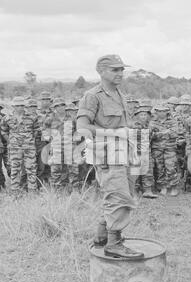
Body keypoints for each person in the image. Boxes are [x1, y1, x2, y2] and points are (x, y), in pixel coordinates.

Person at [76, 54, 143, 259]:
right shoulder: (93, 95)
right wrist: (114, 133)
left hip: (124, 150)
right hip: (107, 153)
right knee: (118, 195)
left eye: (122, 69)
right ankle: (114, 243)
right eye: (115, 70)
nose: (120, 73)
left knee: (123, 192)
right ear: (101, 71)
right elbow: (83, 128)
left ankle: (102, 233)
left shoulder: (118, 94)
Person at [1, 97, 40, 195]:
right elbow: (4, 131)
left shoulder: (32, 117)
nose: (20, 107)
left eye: (22, 105)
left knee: (31, 169)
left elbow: (36, 131)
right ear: (13, 106)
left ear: (25, 106)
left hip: (29, 147)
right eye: (17, 105)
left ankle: (32, 191)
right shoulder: (7, 118)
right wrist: (11, 142)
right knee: (15, 169)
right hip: (14, 148)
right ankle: (15, 191)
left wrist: (30, 140)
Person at [43, 98, 80, 192]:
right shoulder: (49, 119)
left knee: (73, 171)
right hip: (56, 148)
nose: (60, 107)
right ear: (54, 107)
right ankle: (57, 192)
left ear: (65, 106)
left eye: (62, 105)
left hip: (70, 148)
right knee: (55, 171)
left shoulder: (72, 118)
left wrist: (75, 140)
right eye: (57, 106)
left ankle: (75, 191)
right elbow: (45, 132)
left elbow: (78, 131)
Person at [149, 104, 180, 196]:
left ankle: (173, 187)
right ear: (156, 112)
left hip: (170, 147)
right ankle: (163, 186)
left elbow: (175, 133)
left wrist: (159, 134)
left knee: (171, 167)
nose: (161, 113)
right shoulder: (152, 122)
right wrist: (166, 132)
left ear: (167, 111)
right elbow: (151, 135)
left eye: (163, 111)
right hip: (157, 148)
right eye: (159, 111)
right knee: (159, 167)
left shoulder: (173, 121)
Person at [133, 101, 157, 198]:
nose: (143, 117)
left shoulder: (150, 126)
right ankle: (134, 191)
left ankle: (148, 190)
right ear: (137, 116)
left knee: (148, 171)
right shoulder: (133, 125)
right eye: (141, 115)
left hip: (147, 152)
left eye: (145, 115)